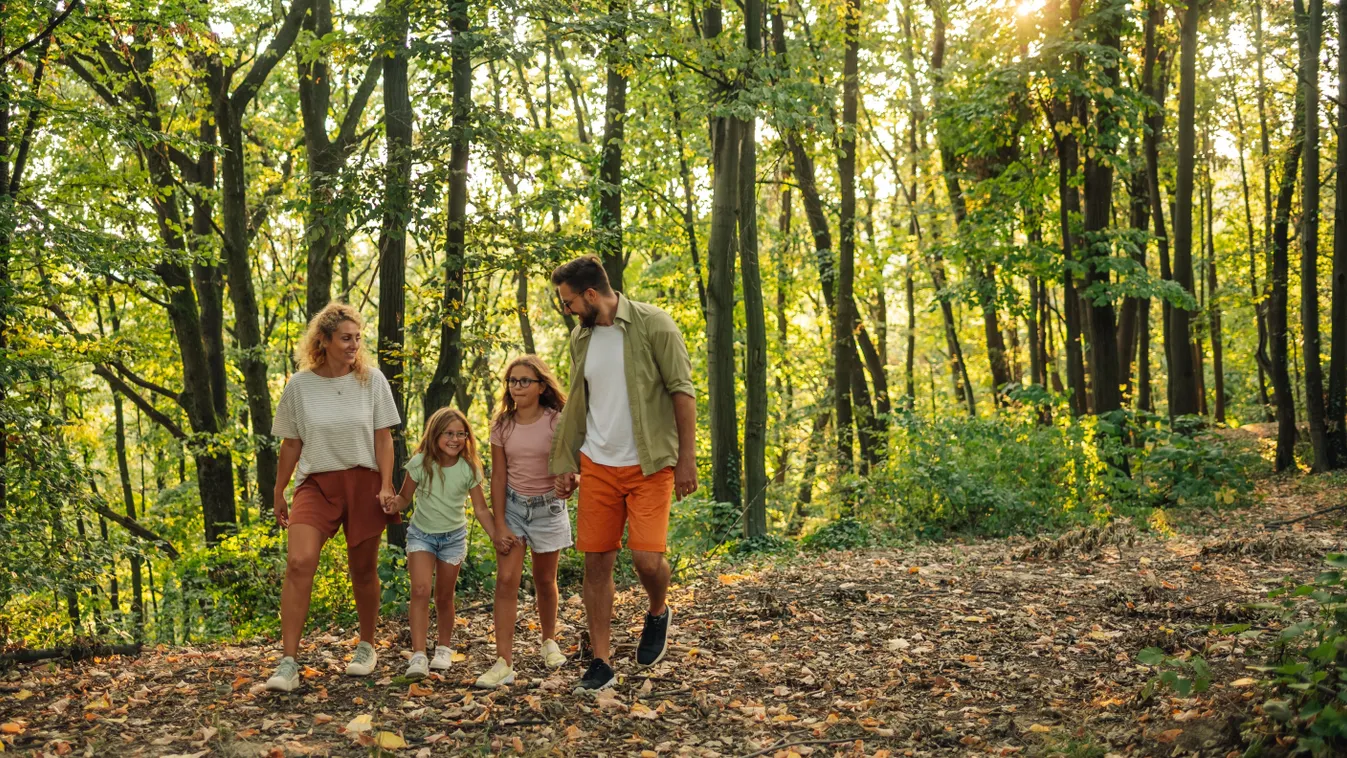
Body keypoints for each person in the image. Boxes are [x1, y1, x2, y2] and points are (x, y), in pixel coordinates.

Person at [547, 256, 698, 692]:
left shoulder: (654, 325)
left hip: (649, 463)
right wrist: (568, 464)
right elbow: (581, 401)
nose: (568, 310)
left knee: (647, 560)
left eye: (570, 302)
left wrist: (686, 459)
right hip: (598, 464)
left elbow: (682, 392)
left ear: (591, 295)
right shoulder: (582, 338)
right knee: (596, 562)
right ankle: (601, 662)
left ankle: (658, 611)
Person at [266, 303, 401, 693]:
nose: (353, 345)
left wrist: (386, 483)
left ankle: (366, 645)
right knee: (299, 560)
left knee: (363, 569)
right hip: (317, 483)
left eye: (358, 338)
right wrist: (279, 491)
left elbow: (383, 437)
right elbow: (292, 444)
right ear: (321, 341)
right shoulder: (299, 385)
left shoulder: (372, 381)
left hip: (364, 481)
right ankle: (288, 662)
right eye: (345, 338)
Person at [475, 356, 573, 689]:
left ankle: (549, 642)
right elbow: (498, 476)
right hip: (514, 507)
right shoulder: (502, 425)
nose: (516, 387)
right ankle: (504, 661)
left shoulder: (556, 422)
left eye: (524, 381)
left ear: (542, 386)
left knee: (545, 580)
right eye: (512, 381)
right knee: (506, 580)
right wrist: (499, 523)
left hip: (549, 509)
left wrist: (571, 481)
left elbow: (571, 466)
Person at [384, 407, 498, 680]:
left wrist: (496, 536)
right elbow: (404, 498)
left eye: (461, 434)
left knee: (444, 596)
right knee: (420, 589)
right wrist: (392, 504)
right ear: (435, 434)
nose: (455, 439)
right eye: (449, 433)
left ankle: (444, 648)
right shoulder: (421, 463)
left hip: (453, 538)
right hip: (422, 534)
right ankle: (419, 654)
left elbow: (481, 509)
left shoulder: (469, 468)